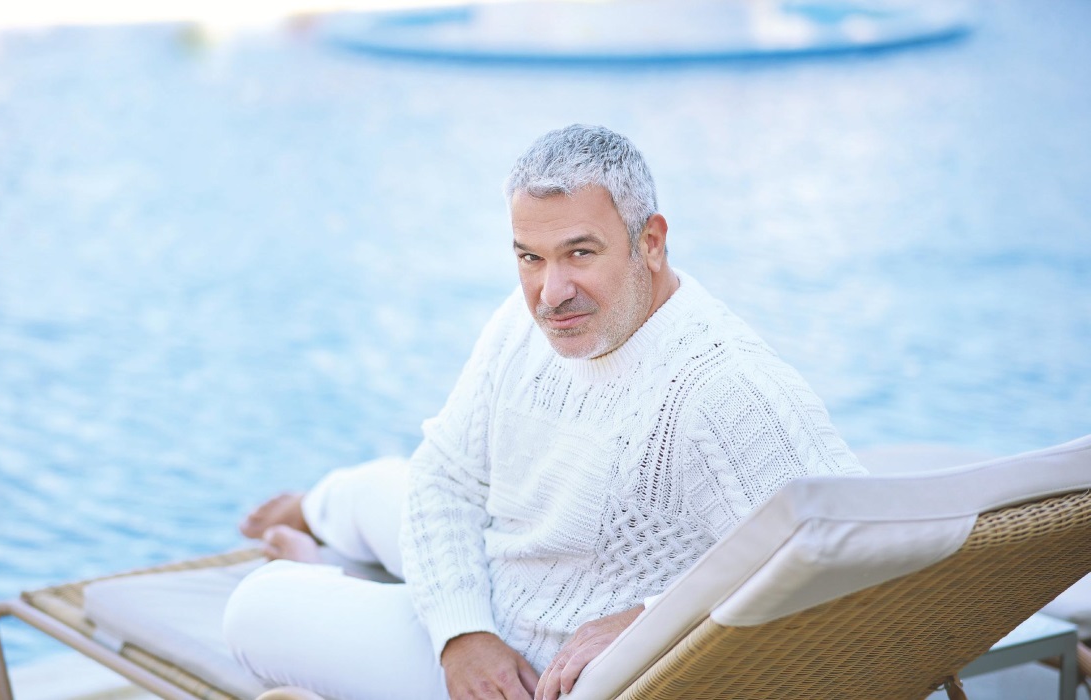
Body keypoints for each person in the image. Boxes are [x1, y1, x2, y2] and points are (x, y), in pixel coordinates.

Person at [223, 124, 866, 700]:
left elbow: (859, 556)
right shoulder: (522, 320)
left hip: (528, 671)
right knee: (384, 484)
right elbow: (445, 475)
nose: (550, 294)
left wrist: (652, 618)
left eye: (580, 253)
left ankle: (316, 567)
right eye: (530, 257)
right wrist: (463, 635)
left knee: (255, 607)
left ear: (650, 242)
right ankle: (321, 513)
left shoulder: (725, 386)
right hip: (497, 594)